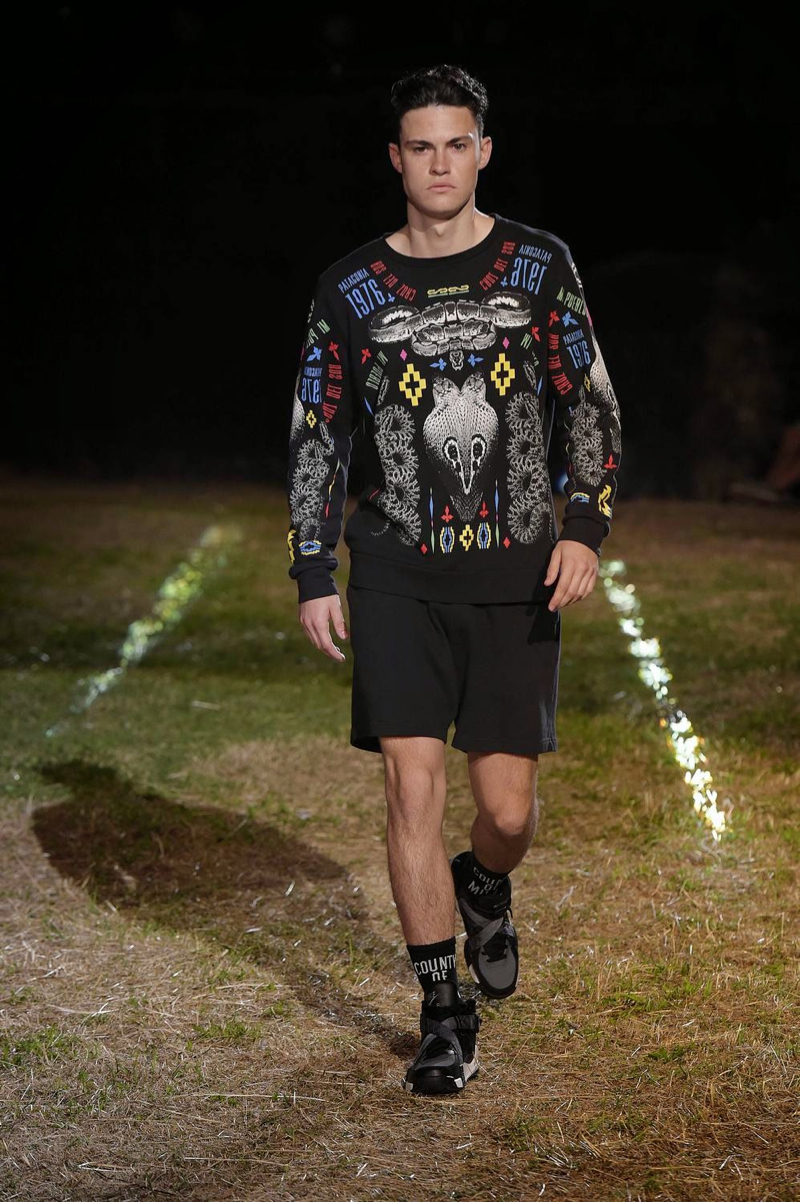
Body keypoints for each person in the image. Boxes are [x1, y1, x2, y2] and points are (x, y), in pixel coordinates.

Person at [285, 63, 622, 1095]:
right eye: (420, 146)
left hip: (516, 573)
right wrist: (313, 564)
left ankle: (485, 883)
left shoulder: (537, 265)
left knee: (506, 812)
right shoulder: (348, 289)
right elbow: (317, 429)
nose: (439, 163)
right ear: (396, 159)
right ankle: (442, 1011)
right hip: (393, 570)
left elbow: (590, 402)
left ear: (483, 151)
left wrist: (583, 527)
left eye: (456, 144)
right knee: (410, 787)